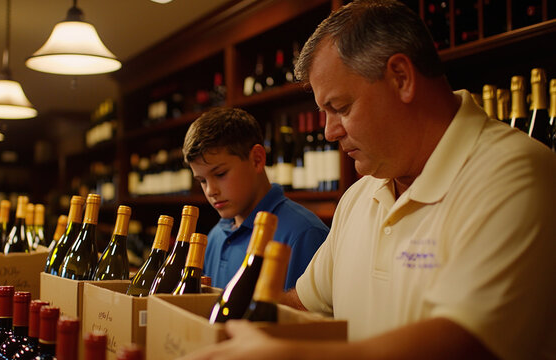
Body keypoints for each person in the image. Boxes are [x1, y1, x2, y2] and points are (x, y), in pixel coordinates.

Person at [180, 1, 556, 359]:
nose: (328, 132)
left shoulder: (515, 173)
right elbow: (302, 301)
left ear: (401, 78)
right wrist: (206, 321)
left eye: (340, 107)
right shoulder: (360, 196)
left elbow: (466, 344)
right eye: (324, 112)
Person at [182, 107, 329, 290]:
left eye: (220, 174)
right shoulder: (214, 237)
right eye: (202, 181)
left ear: (257, 159)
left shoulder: (304, 234)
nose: (210, 191)